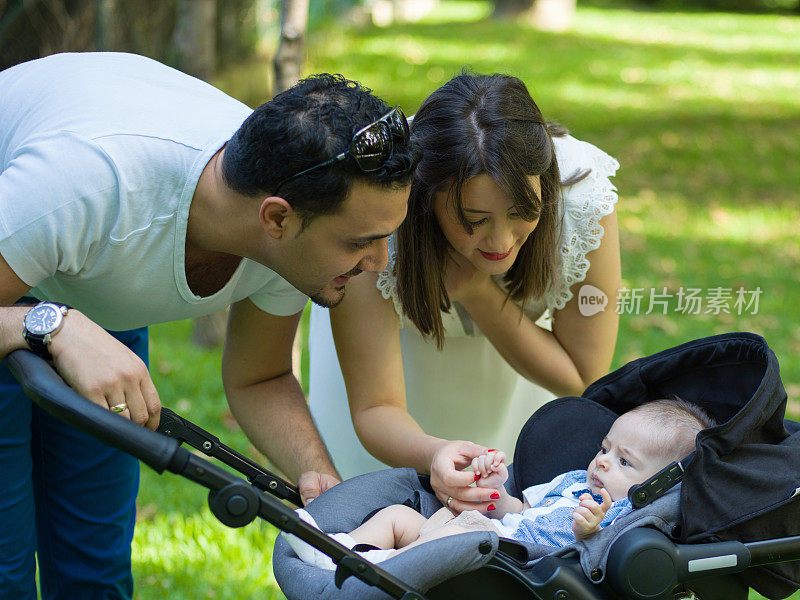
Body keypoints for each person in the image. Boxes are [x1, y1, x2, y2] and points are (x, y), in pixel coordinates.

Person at [0, 51, 420, 599]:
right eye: (361, 241)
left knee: (93, 574)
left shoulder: (287, 225)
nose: (380, 263)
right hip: (35, 260)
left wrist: (321, 481)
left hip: (93, 291)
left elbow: (260, 377)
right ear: (276, 218)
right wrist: (53, 324)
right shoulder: (89, 184)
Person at [308, 72, 621, 511]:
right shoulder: (377, 215)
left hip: (517, 378)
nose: (500, 242)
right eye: (473, 220)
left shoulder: (581, 199)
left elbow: (584, 378)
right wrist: (434, 453)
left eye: (520, 213)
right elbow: (376, 406)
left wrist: (478, 293)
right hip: (392, 404)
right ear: (426, 197)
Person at [286, 398, 716, 569]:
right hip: (490, 531)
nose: (603, 462)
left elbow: (592, 557)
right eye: (605, 448)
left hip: (507, 557)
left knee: (468, 528)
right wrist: (497, 490)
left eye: (624, 461)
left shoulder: (623, 516)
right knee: (401, 514)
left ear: (657, 486)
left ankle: (374, 567)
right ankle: (341, 548)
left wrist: (590, 532)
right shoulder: (570, 483)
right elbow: (520, 513)